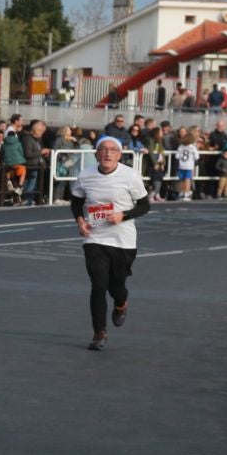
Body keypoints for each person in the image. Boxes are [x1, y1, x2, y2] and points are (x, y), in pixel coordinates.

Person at [70, 135, 149, 352]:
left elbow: (144, 206)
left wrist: (122, 215)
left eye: (112, 150)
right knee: (98, 286)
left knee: (116, 287)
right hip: (95, 238)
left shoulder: (130, 176)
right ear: (96, 154)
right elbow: (76, 202)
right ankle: (99, 333)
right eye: (103, 149)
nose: (107, 153)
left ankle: (121, 303)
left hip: (123, 240)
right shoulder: (86, 175)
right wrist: (80, 220)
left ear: (119, 154)